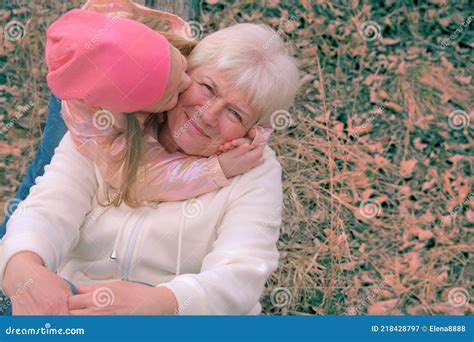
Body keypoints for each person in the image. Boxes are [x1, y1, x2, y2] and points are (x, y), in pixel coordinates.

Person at [0, 13, 299, 315]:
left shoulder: (255, 171)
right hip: (76, 301)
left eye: (235, 113)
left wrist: (164, 303)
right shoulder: (110, 121)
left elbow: (241, 274)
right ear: (187, 70)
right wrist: (23, 266)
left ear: (254, 130)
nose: (207, 115)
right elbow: (50, 206)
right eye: (207, 88)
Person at [46, 9, 270, 207]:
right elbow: (142, 178)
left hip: (104, 46)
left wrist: (255, 134)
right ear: (139, 111)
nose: (186, 82)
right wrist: (217, 169)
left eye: (182, 66)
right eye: (172, 94)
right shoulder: (100, 131)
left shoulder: (158, 43)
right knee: (49, 169)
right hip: (79, 96)